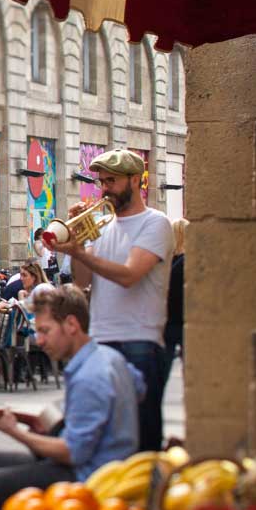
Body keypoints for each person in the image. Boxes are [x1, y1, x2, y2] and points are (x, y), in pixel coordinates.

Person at [0, 285, 139, 510]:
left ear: (71, 325)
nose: (39, 340)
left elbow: (72, 453)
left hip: (89, 477)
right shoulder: (109, 358)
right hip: (100, 459)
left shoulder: (89, 377)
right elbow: (139, 387)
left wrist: (14, 431)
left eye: (45, 331)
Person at [56, 148, 174, 451]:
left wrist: (80, 252)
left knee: (143, 435)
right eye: (102, 182)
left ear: (136, 180)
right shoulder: (103, 225)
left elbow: (129, 275)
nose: (105, 188)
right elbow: (83, 281)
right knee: (104, 435)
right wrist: (78, 240)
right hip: (101, 338)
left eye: (112, 181)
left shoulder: (155, 223)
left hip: (140, 340)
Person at [160, 218, 187, 436]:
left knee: (165, 364)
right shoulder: (183, 262)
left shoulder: (174, 263)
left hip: (171, 321)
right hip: (181, 321)